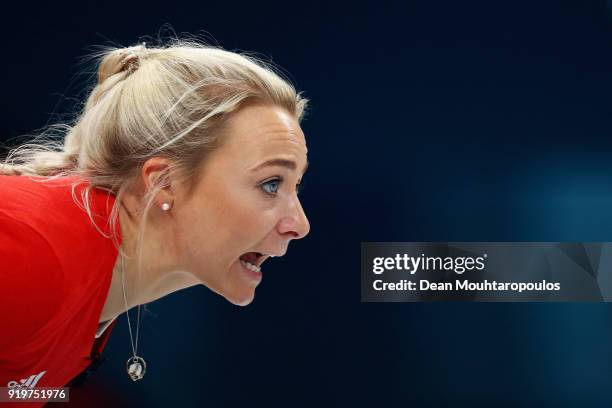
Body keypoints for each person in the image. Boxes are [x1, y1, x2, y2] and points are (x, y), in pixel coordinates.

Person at [0, 39, 310, 402]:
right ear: (164, 183)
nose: (300, 224)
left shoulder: (91, 279)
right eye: (271, 184)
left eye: (296, 185)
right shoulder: (30, 254)